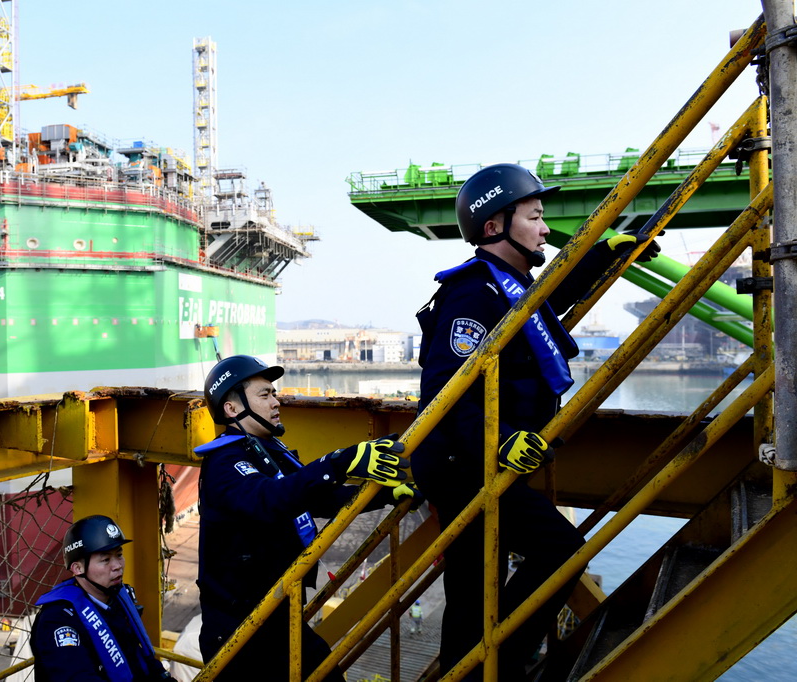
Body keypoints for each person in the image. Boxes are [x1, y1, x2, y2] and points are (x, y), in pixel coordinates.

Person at [411, 163, 660, 680]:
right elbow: (445, 393)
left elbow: (547, 302)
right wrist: (498, 444)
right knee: (557, 551)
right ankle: (501, 659)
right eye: (536, 215)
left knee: (472, 591)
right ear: (495, 226)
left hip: (478, 461)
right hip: (464, 465)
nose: (545, 228)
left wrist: (604, 256)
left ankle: (478, 666)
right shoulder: (472, 296)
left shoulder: (506, 287)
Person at [195, 354, 417, 681]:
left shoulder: (268, 451)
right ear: (232, 408)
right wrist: (340, 462)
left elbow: (317, 497)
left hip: (276, 617)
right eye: (265, 394)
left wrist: (385, 495)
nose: (276, 400)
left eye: (274, 393)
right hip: (239, 632)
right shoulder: (224, 462)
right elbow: (268, 499)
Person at [30, 515, 175, 681]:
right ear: (77, 568)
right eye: (106, 560)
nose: (117, 566)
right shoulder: (59, 619)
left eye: (119, 555)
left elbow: (139, 657)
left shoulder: (117, 599)